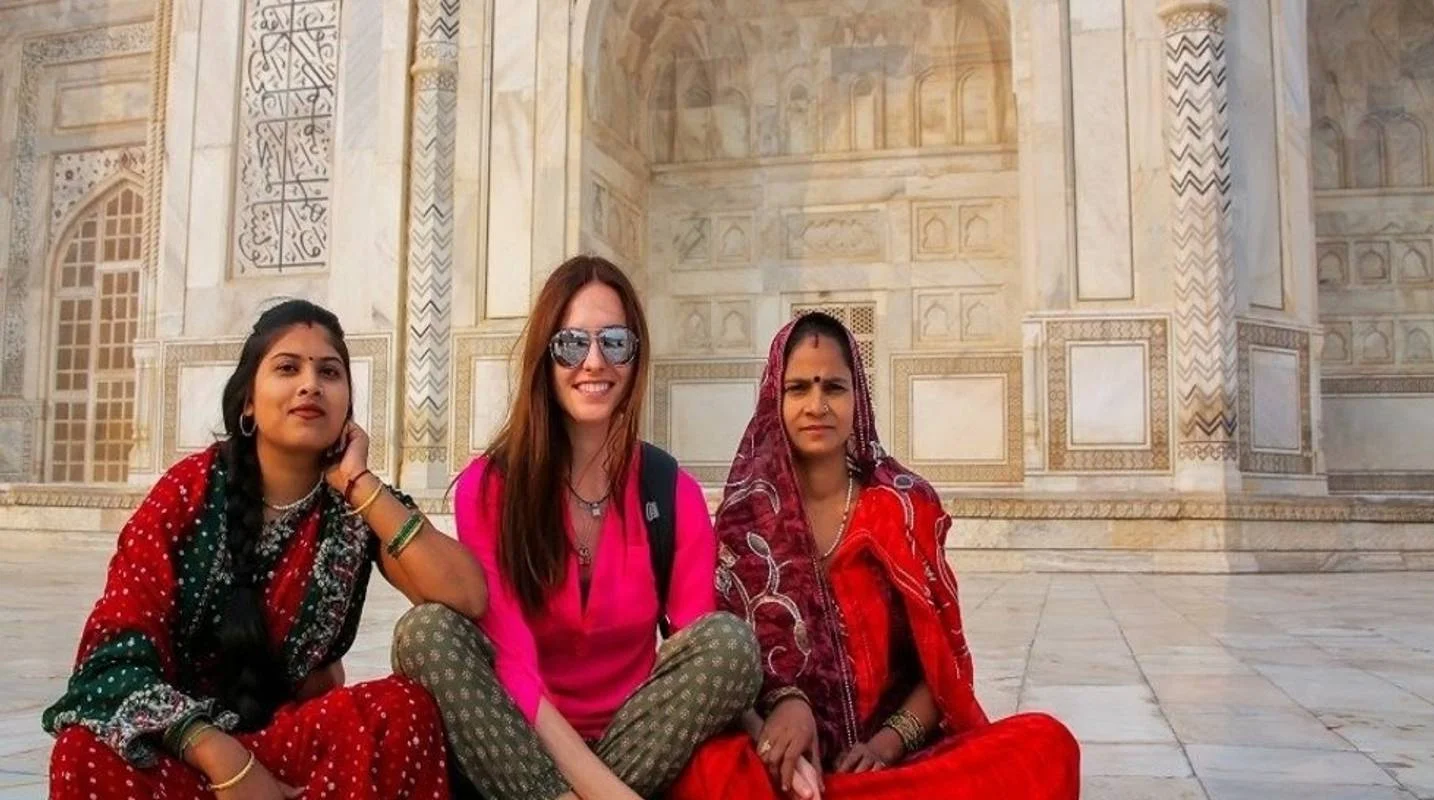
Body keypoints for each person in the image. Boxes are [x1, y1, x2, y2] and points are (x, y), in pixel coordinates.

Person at [43, 299, 486, 799]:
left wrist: (358, 483)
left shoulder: (355, 509)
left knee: (402, 710)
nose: (310, 384)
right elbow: (111, 656)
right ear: (248, 402)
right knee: (83, 751)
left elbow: (467, 595)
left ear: (347, 407)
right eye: (288, 368)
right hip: (181, 749)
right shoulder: (188, 493)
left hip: (286, 750)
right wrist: (224, 759)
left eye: (329, 372)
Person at [392, 255, 761, 800]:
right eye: (571, 343)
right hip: (518, 743)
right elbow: (512, 661)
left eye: (615, 342)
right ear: (545, 356)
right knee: (425, 632)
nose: (594, 362)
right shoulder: (490, 487)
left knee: (731, 644)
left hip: (638, 741)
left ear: (636, 356)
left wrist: (766, 730)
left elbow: (697, 639)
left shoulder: (669, 490)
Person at [670, 313, 1080, 800]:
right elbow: (725, 668)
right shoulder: (745, 520)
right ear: (773, 399)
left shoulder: (901, 506)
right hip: (786, 772)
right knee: (710, 769)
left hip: (895, 770)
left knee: (1046, 743)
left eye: (834, 388)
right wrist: (776, 721)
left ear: (858, 397)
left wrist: (886, 746)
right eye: (798, 388)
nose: (817, 406)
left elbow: (941, 670)